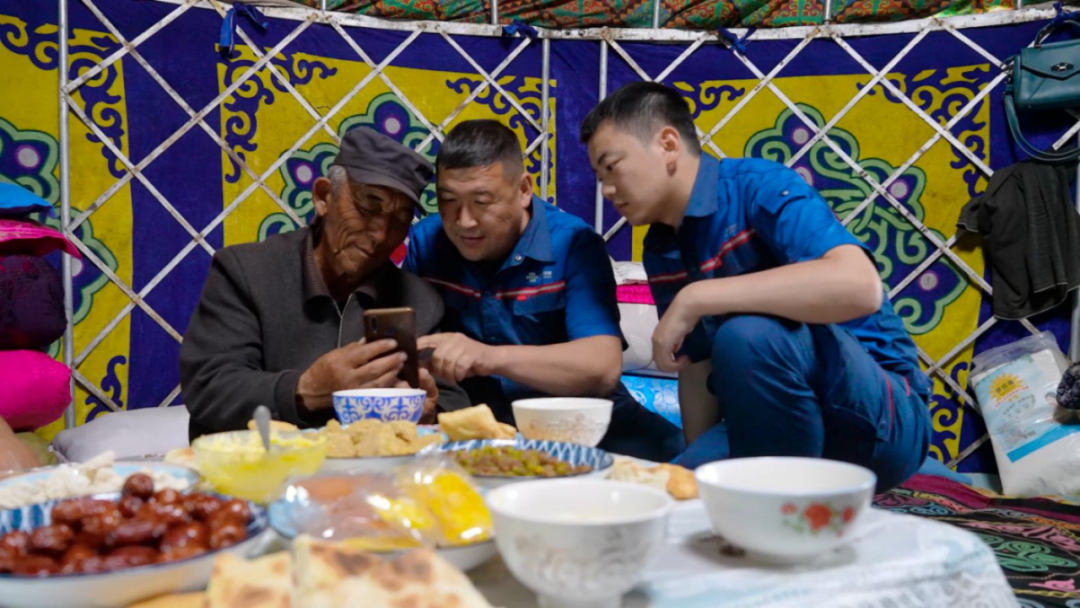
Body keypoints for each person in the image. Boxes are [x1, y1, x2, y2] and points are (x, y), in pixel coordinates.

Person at [580, 82, 931, 490]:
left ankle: (775, 509)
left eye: (612, 167)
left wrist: (698, 297)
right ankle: (764, 496)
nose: (606, 190)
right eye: (598, 177)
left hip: (879, 415)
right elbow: (698, 366)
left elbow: (860, 287)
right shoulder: (661, 247)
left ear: (668, 145)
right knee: (673, 492)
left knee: (750, 332)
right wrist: (697, 464)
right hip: (771, 422)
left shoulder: (758, 186)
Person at [404, 120, 685, 462]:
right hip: (478, 426)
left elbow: (601, 366)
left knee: (687, 467)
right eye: (448, 200)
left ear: (524, 189)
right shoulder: (427, 242)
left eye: (482, 201)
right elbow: (410, 350)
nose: (464, 221)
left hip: (580, 421)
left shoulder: (572, 243)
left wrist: (486, 357)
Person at [181, 128, 468, 440]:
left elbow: (453, 402)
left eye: (400, 219)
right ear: (323, 197)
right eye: (368, 206)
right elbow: (209, 387)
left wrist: (427, 413)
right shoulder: (246, 272)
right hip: (262, 464)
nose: (381, 234)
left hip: (371, 465)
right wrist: (305, 389)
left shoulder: (420, 301)